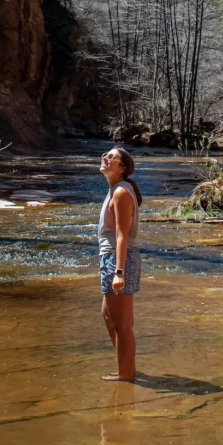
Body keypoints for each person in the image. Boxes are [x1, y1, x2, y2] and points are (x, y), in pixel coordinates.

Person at [98, 146, 143, 382]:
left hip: (119, 260)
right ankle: (128, 367)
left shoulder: (121, 193)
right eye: (105, 155)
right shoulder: (115, 190)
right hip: (111, 259)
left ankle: (126, 378)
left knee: (122, 325)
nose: (105, 158)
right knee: (108, 315)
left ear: (122, 168)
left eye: (111, 157)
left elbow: (122, 236)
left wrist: (119, 272)